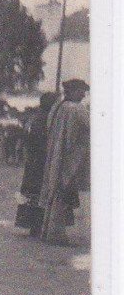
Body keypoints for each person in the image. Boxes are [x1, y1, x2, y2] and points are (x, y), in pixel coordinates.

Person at [38, 79, 90, 245]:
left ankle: (47, 231)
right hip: (69, 157)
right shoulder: (76, 109)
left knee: (55, 191)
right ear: (74, 91)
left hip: (56, 154)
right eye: (81, 91)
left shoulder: (58, 107)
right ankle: (56, 234)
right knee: (62, 193)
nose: (83, 94)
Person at [15, 92, 57, 236]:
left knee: (33, 191)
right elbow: (40, 142)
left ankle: (34, 225)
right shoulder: (44, 119)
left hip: (34, 160)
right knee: (38, 191)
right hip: (40, 160)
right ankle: (36, 226)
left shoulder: (37, 117)